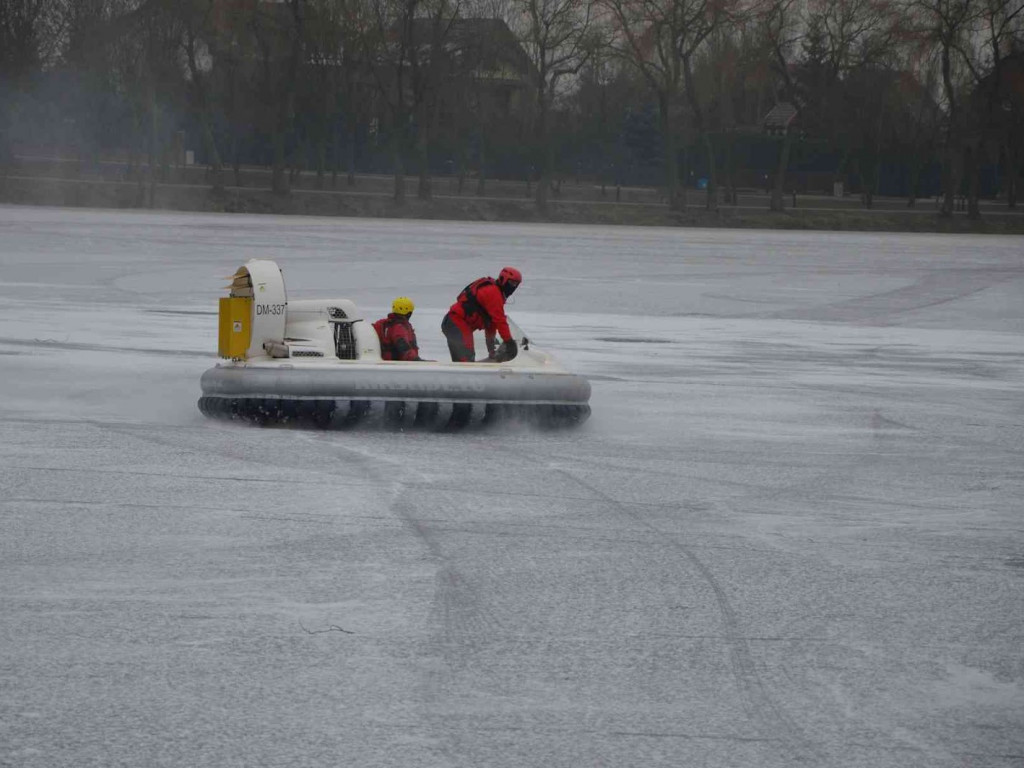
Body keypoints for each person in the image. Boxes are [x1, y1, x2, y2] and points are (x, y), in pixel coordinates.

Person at [441, 267, 521, 362]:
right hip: (456, 323)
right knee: (465, 360)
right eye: (511, 283)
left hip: (453, 324)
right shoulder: (493, 293)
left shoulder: (496, 294)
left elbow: (491, 324)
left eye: (516, 284)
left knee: (462, 360)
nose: (513, 287)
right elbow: (500, 321)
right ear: (503, 279)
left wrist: (492, 352)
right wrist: (508, 341)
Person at [372, 297, 422, 361]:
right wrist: (417, 360)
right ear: (409, 313)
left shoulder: (382, 324)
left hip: (386, 362)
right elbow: (403, 347)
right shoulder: (399, 328)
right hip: (400, 364)